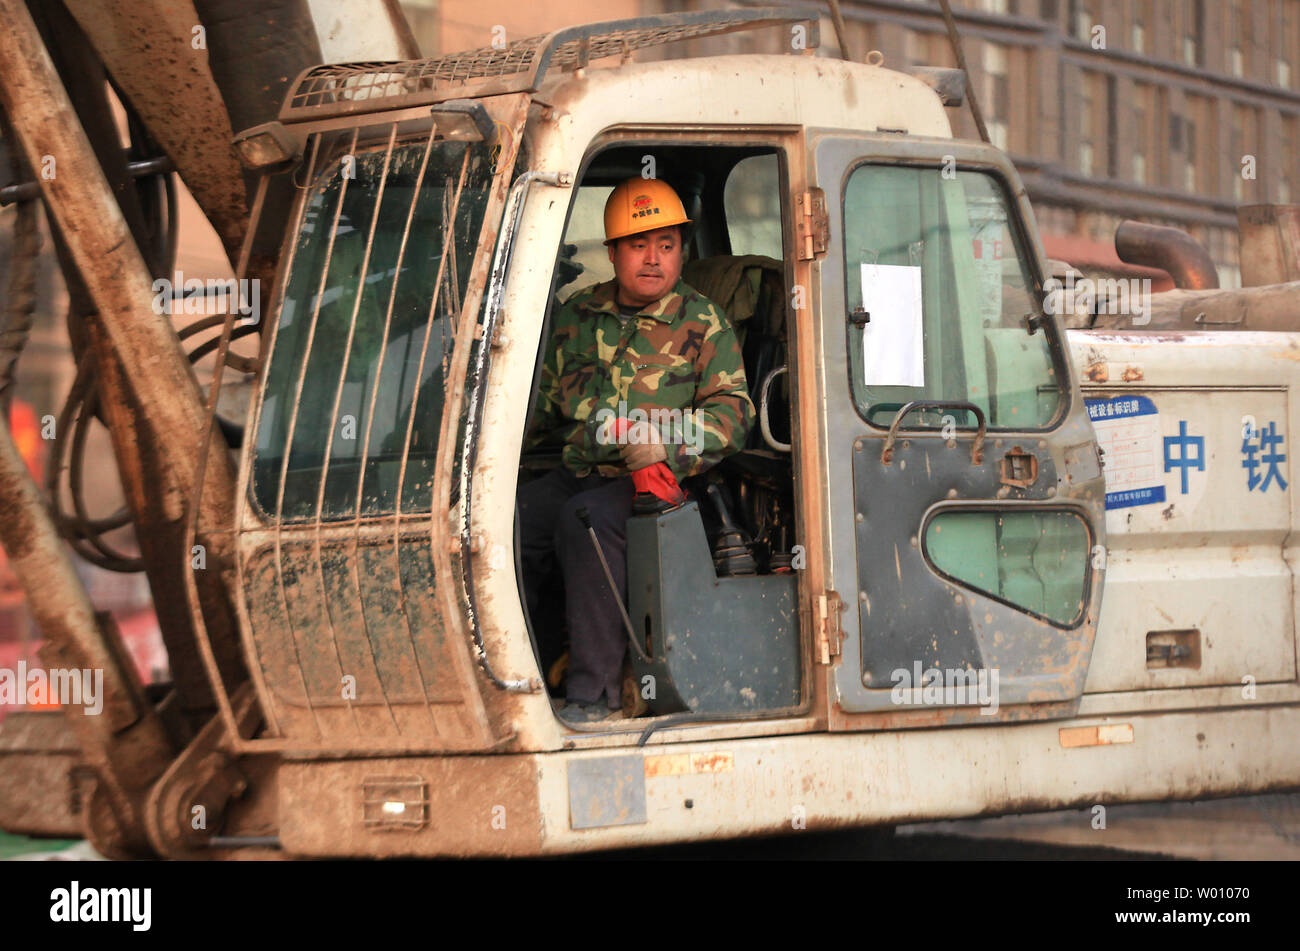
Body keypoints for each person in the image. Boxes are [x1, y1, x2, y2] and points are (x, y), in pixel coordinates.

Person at [519, 177, 754, 722]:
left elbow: (733, 416)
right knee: (512, 521)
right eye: (639, 245)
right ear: (613, 252)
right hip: (582, 470)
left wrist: (666, 444)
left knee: (587, 521)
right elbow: (543, 411)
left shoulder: (702, 322)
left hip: (665, 483)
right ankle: (529, 671)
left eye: (667, 245)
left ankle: (591, 693)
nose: (654, 259)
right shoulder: (580, 316)